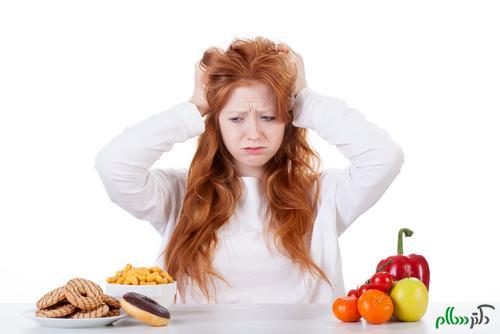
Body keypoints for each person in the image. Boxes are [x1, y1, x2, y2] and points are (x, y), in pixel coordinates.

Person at [94, 37, 404, 304]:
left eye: (268, 117)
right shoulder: (180, 195)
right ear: (216, 124)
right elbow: (114, 166)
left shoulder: (322, 196)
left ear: (289, 120)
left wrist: (305, 96)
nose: (253, 134)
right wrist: (195, 105)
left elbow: (384, 158)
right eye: (236, 118)